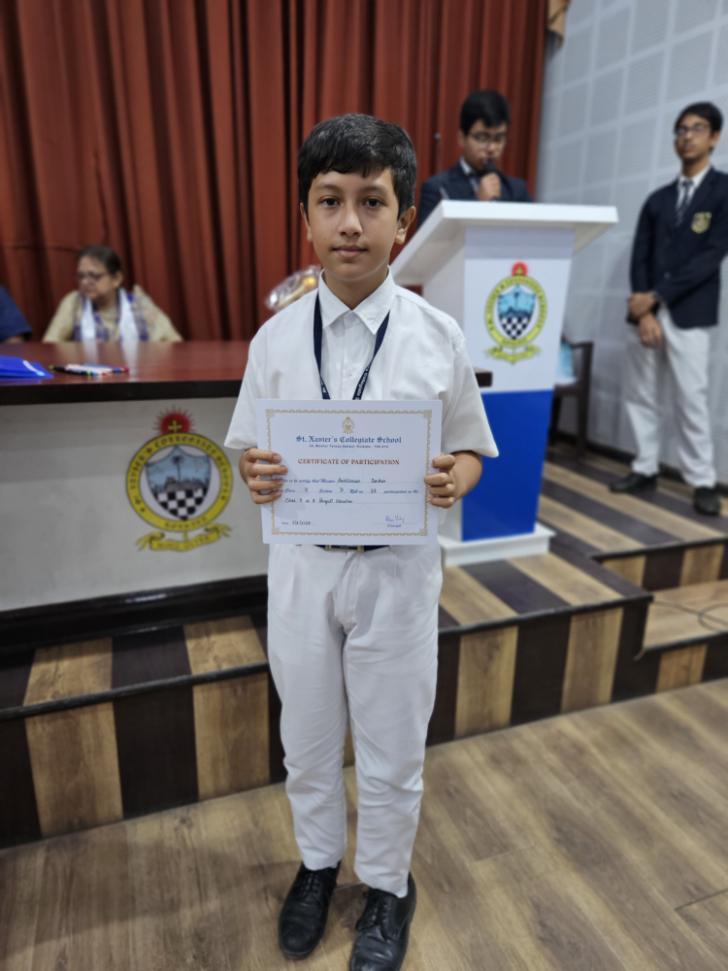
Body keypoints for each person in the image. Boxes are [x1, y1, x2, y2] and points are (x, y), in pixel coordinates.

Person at [225, 113, 497, 970]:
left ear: (404, 220)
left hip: (398, 574)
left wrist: (455, 478)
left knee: (392, 744)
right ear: (304, 216)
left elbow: (471, 449)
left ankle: (385, 883)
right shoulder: (274, 340)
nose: (351, 222)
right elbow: (248, 454)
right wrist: (256, 475)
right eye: (330, 200)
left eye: (372, 202)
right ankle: (315, 864)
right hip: (303, 571)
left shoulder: (438, 336)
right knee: (306, 736)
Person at [610, 102, 728, 516]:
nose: (687, 136)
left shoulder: (723, 192)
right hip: (646, 314)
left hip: (689, 313)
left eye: (696, 128)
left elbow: (711, 257)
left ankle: (702, 480)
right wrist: (643, 311)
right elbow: (639, 258)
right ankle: (644, 467)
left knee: (691, 397)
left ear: (714, 137)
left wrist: (657, 296)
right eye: (680, 129)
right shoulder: (657, 200)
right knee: (640, 394)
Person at [418, 88, 532, 227]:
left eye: (498, 138)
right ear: (461, 138)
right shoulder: (437, 188)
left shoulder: (517, 190)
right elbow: (430, 238)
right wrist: (477, 205)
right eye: (482, 138)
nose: (491, 148)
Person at [43, 245, 181, 342]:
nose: (85, 282)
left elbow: (173, 342)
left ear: (116, 279)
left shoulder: (139, 304)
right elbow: (51, 345)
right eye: (81, 276)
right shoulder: (74, 303)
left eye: (94, 276)